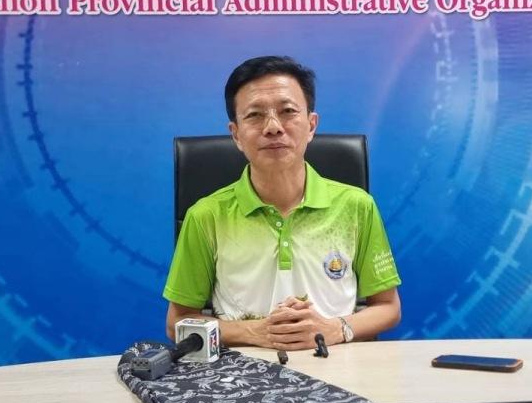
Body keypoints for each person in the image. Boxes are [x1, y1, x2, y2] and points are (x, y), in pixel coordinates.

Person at [163, 56, 402, 351]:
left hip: (338, 366)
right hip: (242, 372)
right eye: (255, 115)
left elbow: (388, 307)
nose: (273, 127)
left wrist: (334, 329)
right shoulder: (206, 216)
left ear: (311, 125)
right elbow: (177, 322)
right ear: (236, 134)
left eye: (287, 111)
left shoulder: (356, 206)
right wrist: (255, 332)